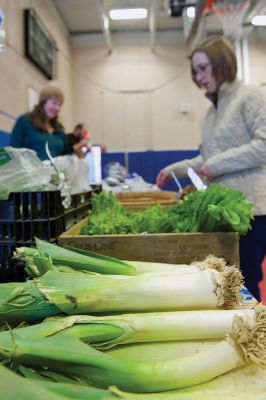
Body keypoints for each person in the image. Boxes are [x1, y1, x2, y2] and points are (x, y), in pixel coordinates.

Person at [156, 35, 266, 301]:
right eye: (195, 71)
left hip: (253, 208)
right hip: (227, 211)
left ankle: (256, 335)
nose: (199, 76)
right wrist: (174, 170)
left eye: (203, 67)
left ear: (222, 62)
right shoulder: (210, 113)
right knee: (231, 277)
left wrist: (213, 164)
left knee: (247, 275)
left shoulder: (251, 96)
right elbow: (206, 159)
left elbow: (263, 145)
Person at [9, 85, 72, 160]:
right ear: (44, 102)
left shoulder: (60, 130)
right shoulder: (25, 121)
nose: (57, 108)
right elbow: (12, 152)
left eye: (60, 105)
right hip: (32, 171)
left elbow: (66, 156)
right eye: (54, 103)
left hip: (56, 171)